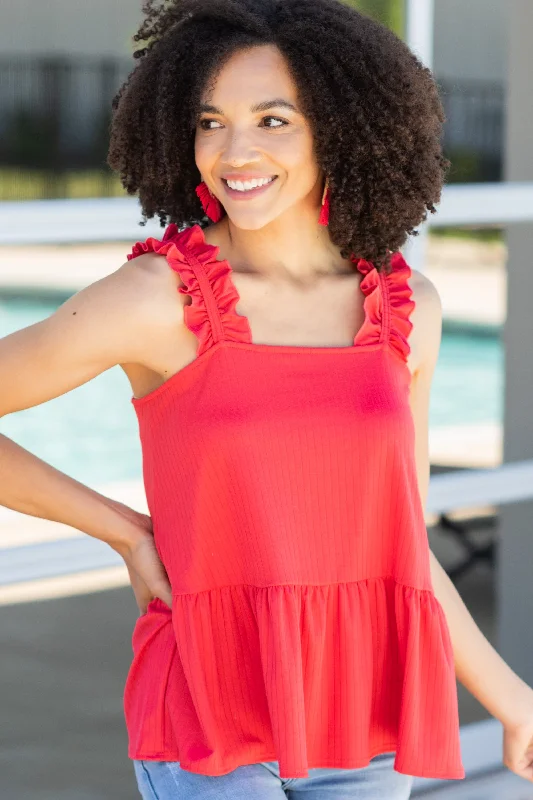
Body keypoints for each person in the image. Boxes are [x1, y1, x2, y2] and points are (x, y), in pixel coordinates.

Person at [2, 0, 533, 798]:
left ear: (342, 127)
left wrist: (511, 701)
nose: (233, 151)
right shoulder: (154, 297)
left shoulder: (406, 309)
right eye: (210, 121)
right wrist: (122, 533)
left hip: (363, 721)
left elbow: (400, 547)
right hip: (209, 724)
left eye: (272, 119)